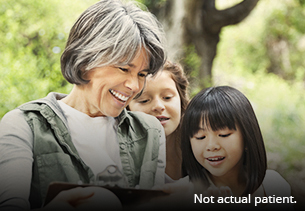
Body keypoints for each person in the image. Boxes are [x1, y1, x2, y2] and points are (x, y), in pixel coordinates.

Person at [0, 0, 167, 210]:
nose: (134, 85)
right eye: (124, 69)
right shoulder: (23, 125)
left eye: (142, 74)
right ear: (87, 60)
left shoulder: (150, 132)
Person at [172, 85, 293, 210]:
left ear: (247, 136)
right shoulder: (184, 194)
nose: (211, 146)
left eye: (223, 134)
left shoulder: (274, 185)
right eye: (200, 137)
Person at [128, 60, 189, 182]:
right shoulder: (118, 154)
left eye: (167, 97)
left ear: (181, 101)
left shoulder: (203, 143)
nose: (158, 106)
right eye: (144, 100)